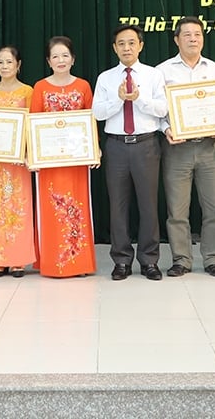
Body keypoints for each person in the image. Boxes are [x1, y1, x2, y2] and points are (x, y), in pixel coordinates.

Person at [93, 25, 168, 281]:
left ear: (140, 45)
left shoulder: (153, 75)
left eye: (131, 43)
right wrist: (119, 99)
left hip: (146, 145)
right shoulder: (105, 78)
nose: (127, 48)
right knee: (118, 205)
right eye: (121, 43)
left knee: (149, 205)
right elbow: (98, 113)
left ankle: (149, 261)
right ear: (114, 47)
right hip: (115, 145)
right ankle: (121, 260)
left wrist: (138, 99)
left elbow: (162, 109)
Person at [156, 17, 215, 277]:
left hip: (211, 147)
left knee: (214, 208)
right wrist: (166, 129)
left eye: (197, 34)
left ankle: (213, 258)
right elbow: (158, 111)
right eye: (187, 35)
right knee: (177, 209)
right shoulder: (162, 71)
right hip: (178, 148)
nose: (193, 39)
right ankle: (181, 259)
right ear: (177, 40)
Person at [29, 36, 98, 278]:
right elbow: (33, 123)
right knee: (52, 209)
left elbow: (90, 120)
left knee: (77, 209)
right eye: (55, 56)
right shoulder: (40, 87)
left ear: (73, 59)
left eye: (65, 56)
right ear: (48, 61)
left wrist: (95, 150)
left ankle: (78, 263)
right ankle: (52, 263)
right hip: (49, 162)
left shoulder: (83, 86)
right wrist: (33, 156)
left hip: (76, 160)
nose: (61, 60)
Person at [0, 46, 37, 277]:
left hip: (19, 160)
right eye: (0, 62)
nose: (4, 66)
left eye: (9, 62)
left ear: (18, 65)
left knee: (18, 206)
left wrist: (27, 152)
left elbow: (32, 125)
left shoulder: (28, 92)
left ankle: (18, 259)